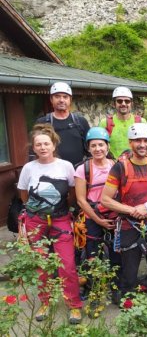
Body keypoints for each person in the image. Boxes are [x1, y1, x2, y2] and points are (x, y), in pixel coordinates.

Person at [17, 124, 83, 324]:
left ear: (54, 145)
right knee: (41, 264)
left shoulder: (65, 166)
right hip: (35, 220)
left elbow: (72, 193)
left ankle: (74, 305)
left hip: (61, 219)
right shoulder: (29, 168)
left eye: (46, 143)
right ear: (34, 147)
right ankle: (45, 301)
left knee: (67, 264)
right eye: (38, 144)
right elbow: (23, 194)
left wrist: (61, 210)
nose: (43, 147)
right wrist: (35, 210)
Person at [101, 123, 147, 299]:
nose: (142, 144)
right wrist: (131, 210)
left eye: (146, 141)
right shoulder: (120, 168)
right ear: (130, 142)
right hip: (129, 224)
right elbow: (105, 199)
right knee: (130, 269)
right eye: (138, 141)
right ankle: (128, 305)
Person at [73, 127, 122, 303]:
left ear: (107, 146)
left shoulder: (116, 165)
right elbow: (81, 200)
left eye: (101, 145)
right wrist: (98, 220)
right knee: (93, 255)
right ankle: (95, 289)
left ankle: (116, 288)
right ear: (88, 148)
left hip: (114, 215)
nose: (97, 149)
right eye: (93, 145)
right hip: (93, 216)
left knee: (117, 254)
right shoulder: (83, 169)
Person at [35, 82, 90, 166]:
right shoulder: (42, 123)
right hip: (51, 172)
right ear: (51, 99)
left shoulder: (81, 122)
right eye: (57, 96)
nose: (61, 100)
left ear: (70, 100)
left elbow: (90, 148)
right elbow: (35, 149)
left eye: (65, 97)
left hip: (78, 172)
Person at [99, 86, 147, 158]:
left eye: (127, 101)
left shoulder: (141, 122)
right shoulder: (105, 123)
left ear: (131, 104)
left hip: (135, 166)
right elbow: (100, 147)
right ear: (113, 103)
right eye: (119, 101)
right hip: (113, 166)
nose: (123, 104)